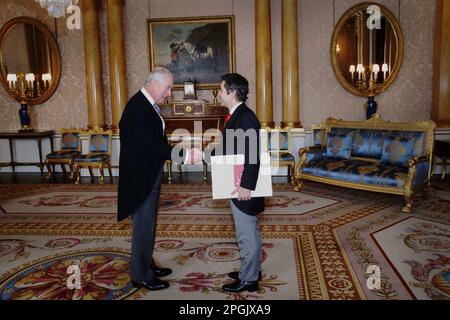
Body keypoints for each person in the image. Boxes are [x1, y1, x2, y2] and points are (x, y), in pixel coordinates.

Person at [117, 67, 174, 291]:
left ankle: (147, 264)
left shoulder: (146, 104)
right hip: (140, 178)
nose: (169, 93)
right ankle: (141, 275)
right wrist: (182, 154)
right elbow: (152, 143)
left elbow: (153, 140)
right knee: (143, 225)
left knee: (148, 223)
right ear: (155, 84)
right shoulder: (138, 107)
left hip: (147, 173)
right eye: (168, 88)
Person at [217, 73, 265, 293]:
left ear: (232, 92)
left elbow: (252, 154)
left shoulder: (245, 117)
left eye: (220, 89)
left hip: (243, 184)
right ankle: (251, 268)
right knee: (246, 229)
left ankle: (249, 278)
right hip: (235, 179)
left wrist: (246, 185)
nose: (218, 94)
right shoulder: (236, 115)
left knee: (246, 231)